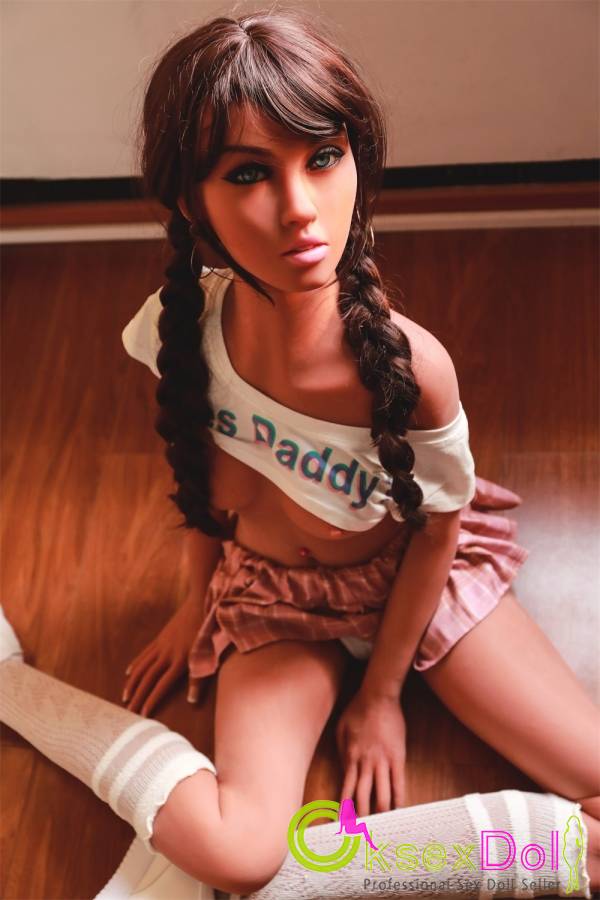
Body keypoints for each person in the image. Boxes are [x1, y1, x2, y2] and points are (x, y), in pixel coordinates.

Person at [1, 7, 598, 899]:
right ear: (191, 200)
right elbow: (198, 477)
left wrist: (382, 696)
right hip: (274, 598)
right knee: (241, 854)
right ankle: (7, 685)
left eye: (323, 157)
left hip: (412, 584)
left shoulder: (414, 370)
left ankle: (419, 860)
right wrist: (194, 602)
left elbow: (437, 532)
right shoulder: (179, 335)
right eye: (249, 173)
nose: (300, 208)